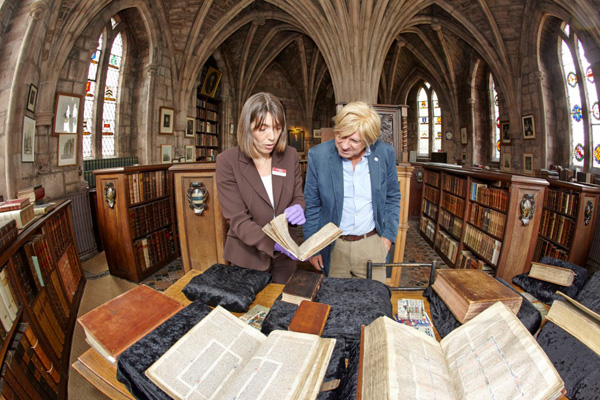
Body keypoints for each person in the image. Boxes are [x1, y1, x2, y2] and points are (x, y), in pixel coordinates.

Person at [303, 101, 401, 282]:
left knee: (375, 302)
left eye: (354, 140)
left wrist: (387, 237)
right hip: (334, 246)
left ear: (368, 140)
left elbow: (393, 197)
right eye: (341, 136)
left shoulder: (385, 153)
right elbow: (312, 205)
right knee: (335, 305)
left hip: (372, 244)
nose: (345, 145)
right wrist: (312, 247)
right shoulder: (318, 156)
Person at [216, 92, 305, 283]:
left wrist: (299, 208)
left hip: (285, 258)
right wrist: (274, 243)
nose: (271, 137)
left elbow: (298, 196)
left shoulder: (289, 155)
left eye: (277, 128)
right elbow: (238, 220)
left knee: (282, 308)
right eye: (262, 129)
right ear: (247, 128)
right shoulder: (227, 161)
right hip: (246, 258)